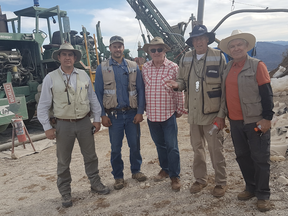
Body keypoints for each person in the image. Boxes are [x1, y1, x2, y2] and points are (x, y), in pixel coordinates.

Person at [37, 42, 110, 208]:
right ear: (59, 57)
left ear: (75, 57)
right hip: (63, 124)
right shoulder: (50, 78)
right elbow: (43, 105)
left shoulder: (83, 75)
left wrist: (96, 118)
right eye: (64, 54)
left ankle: (95, 183)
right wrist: (47, 127)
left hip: (84, 122)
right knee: (63, 160)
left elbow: (92, 98)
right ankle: (65, 192)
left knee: (90, 156)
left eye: (70, 55)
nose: (67, 58)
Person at [166, 25, 227, 197]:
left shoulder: (218, 56)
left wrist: (222, 114)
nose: (198, 41)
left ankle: (221, 182)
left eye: (202, 38)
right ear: (192, 41)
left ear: (208, 39)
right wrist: (177, 85)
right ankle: (201, 179)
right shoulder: (185, 58)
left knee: (216, 150)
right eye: (195, 38)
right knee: (197, 149)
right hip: (193, 114)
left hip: (212, 115)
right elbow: (182, 81)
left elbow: (225, 88)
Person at [219, 30, 274, 212]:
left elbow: (267, 93)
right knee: (242, 155)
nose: (236, 48)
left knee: (260, 158)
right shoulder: (228, 67)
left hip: (255, 121)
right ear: (229, 50)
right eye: (232, 46)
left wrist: (267, 118)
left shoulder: (257, 66)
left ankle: (263, 194)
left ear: (247, 47)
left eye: (239, 45)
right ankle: (250, 187)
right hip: (235, 122)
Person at [94, 35, 147, 190]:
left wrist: (140, 111)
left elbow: (140, 90)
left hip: (131, 114)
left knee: (134, 145)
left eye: (120, 46)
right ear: (110, 48)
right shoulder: (102, 68)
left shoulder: (133, 66)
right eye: (114, 46)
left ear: (123, 48)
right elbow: (98, 93)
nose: (117, 49)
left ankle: (136, 171)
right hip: (114, 116)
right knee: (116, 148)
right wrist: (102, 115)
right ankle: (118, 177)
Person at [141, 37, 186, 192]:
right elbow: (143, 90)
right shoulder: (145, 68)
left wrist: (180, 109)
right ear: (149, 52)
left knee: (172, 146)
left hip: (168, 114)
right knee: (160, 145)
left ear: (165, 50)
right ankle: (165, 168)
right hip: (152, 115)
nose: (156, 52)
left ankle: (175, 175)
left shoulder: (173, 67)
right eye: (153, 50)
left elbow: (178, 90)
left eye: (159, 49)